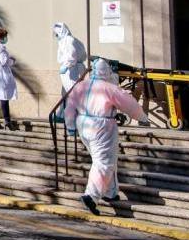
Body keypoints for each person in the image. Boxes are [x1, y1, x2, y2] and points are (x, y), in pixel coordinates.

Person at [64, 58, 149, 216]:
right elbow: (129, 104)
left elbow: (69, 107)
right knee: (103, 162)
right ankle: (91, 196)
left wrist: (70, 127)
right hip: (102, 126)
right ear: (107, 71)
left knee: (107, 159)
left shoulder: (80, 86)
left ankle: (111, 192)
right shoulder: (109, 88)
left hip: (83, 124)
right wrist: (142, 117)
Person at [0, 28, 17, 129]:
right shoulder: (1, 48)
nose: (6, 38)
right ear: (1, 37)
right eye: (5, 36)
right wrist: (12, 61)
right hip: (2, 75)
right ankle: (7, 121)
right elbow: (4, 61)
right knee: (4, 98)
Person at [53, 22, 87, 96]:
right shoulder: (62, 41)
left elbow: (71, 55)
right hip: (70, 70)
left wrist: (66, 65)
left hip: (73, 70)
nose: (56, 35)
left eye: (57, 33)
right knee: (67, 94)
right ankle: (66, 107)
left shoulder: (69, 40)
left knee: (72, 93)